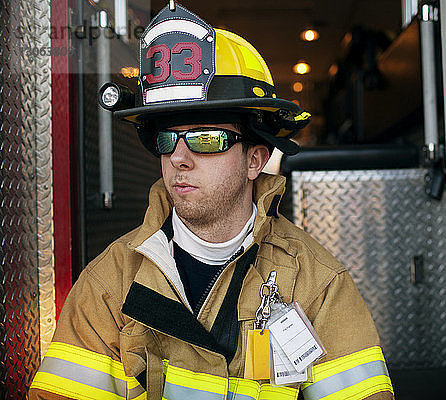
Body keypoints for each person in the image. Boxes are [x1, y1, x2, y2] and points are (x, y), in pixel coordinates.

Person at [29, 3, 394, 399]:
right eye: (168, 139)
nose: (180, 158)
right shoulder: (109, 282)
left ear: (255, 159)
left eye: (206, 139)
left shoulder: (317, 282)